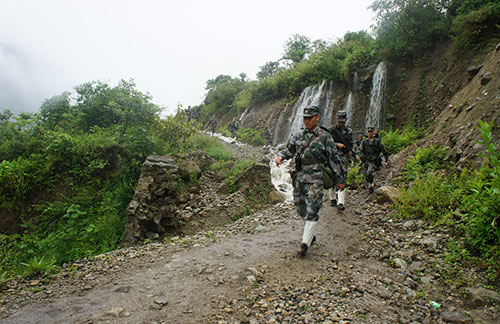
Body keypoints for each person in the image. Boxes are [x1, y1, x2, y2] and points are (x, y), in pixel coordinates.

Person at [275, 105, 346, 258]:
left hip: (316, 177)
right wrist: (281, 157)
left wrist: (340, 179)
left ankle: (304, 245)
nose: (306, 121)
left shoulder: (325, 136)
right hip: (300, 177)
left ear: (317, 117)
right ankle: (311, 231)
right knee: (301, 208)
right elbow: (289, 151)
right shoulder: (297, 135)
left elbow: (334, 158)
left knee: (313, 207)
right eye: (305, 118)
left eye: (310, 118)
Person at [328, 110, 355, 210]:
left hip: (344, 157)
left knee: (343, 178)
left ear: (346, 120)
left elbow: (351, 144)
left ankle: (341, 202)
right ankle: (332, 199)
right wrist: (336, 144)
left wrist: (351, 151)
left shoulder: (349, 131)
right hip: (332, 157)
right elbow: (325, 142)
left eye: (343, 121)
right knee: (332, 178)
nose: (341, 123)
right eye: (340, 121)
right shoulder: (331, 130)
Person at [359, 126, 389, 193]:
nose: (370, 133)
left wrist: (386, 158)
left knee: (369, 172)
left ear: (373, 132)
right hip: (366, 160)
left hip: (373, 160)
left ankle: (371, 185)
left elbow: (382, 149)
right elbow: (361, 151)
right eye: (369, 132)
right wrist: (361, 158)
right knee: (365, 174)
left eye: (371, 132)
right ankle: (371, 182)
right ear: (367, 133)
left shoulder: (377, 141)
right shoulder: (364, 141)